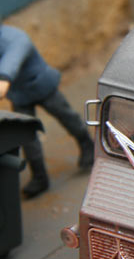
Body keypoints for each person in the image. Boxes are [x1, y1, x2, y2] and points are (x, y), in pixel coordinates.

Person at [0, 24, 94, 198]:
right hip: (19, 95)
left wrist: (4, 78)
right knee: (26, 136)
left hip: (42, 86)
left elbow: (13, 57)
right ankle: (39, 176)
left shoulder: (14, 37)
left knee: (66, 116)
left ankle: (87, 144)